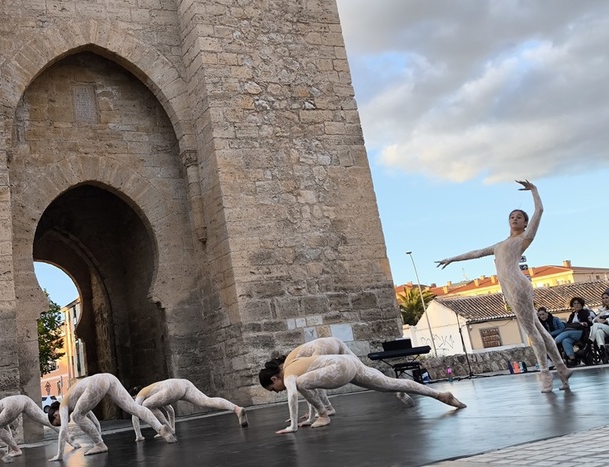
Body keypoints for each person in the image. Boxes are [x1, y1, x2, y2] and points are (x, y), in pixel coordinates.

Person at [436, 181, 571, 392]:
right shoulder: (500, 245)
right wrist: (451, 259)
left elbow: (539, 210)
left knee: (530, 331)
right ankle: (562, 369)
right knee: (538, 329)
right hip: (508, 288)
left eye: (519, 217)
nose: (515, 218)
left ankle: (545, 372)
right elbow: (475, 253)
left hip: (518, 285)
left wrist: (534, 191)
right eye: (512, 216)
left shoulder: (524, 238)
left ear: (525, 223)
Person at [258, 354, 465, 434]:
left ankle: (324, 415)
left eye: (273, 389)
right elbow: (315, 386)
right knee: (389, 384)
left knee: (301, 383)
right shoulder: (295, 360)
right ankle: (440, 395)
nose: (277, 391)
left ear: (274, 379)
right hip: (349, 362)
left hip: (339, 366)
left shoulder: (288, 375)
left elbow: (293, 394)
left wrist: (292, 426)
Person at [50, 372, 175, 461]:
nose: (61, 422)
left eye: (58, 421)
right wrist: (98, 436)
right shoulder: (75, 401)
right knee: (134, 407)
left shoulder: (63, 406)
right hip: (108, 377)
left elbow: (64, 430)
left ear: (55, 414)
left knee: (77, 416)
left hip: (97, 383)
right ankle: (160, 428)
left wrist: (59, 455)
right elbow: (94, 422)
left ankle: (99, 445)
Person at [130, 378, 247, 441]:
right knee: (207, 400)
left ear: (134, 396)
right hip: (183, 383)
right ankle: (237, 409)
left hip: (171, 387)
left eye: (132, 398)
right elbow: (170, 410)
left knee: (144, 405)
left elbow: (135, 413)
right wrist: (172, 428)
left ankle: (163, 430)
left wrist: (138, 436)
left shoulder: (141, 394)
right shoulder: (155, 394)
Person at [0, 395, 60, 460]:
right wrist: (9, 449)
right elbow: (7, 429)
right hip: (23, 399)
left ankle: (16, 450)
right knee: (46, 420)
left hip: (12, 404)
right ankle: (67, 435)